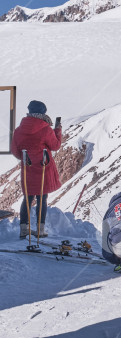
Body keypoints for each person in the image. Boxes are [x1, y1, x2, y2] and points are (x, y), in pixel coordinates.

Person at [11, 100, 62, 239]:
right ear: (42, 113)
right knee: (42, 198)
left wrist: (26, 158)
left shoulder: (18, 130)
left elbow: (15, 151)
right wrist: (57, 131)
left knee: (27, 198)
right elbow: (55, 145)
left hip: (27, 168)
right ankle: (40, 230)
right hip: (43, 167)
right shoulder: (45, 128)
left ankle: (24, 229)